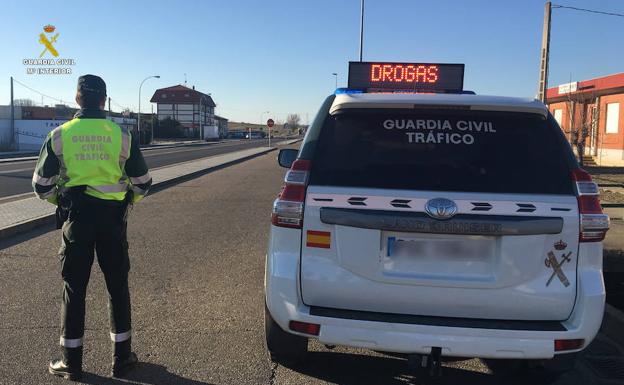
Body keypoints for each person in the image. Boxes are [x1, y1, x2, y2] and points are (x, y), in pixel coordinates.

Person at [32, 74, 152, 381]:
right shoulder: (121, 135)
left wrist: (63, 201)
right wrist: (127, 202)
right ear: (103, 100)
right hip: (113, 222)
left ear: (77, 98)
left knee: (74, 289)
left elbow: (41, 185)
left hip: (78, 221)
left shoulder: (60, 134)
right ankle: (122, 360)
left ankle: (71, 362)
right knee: (117, 287)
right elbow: (143, 183)